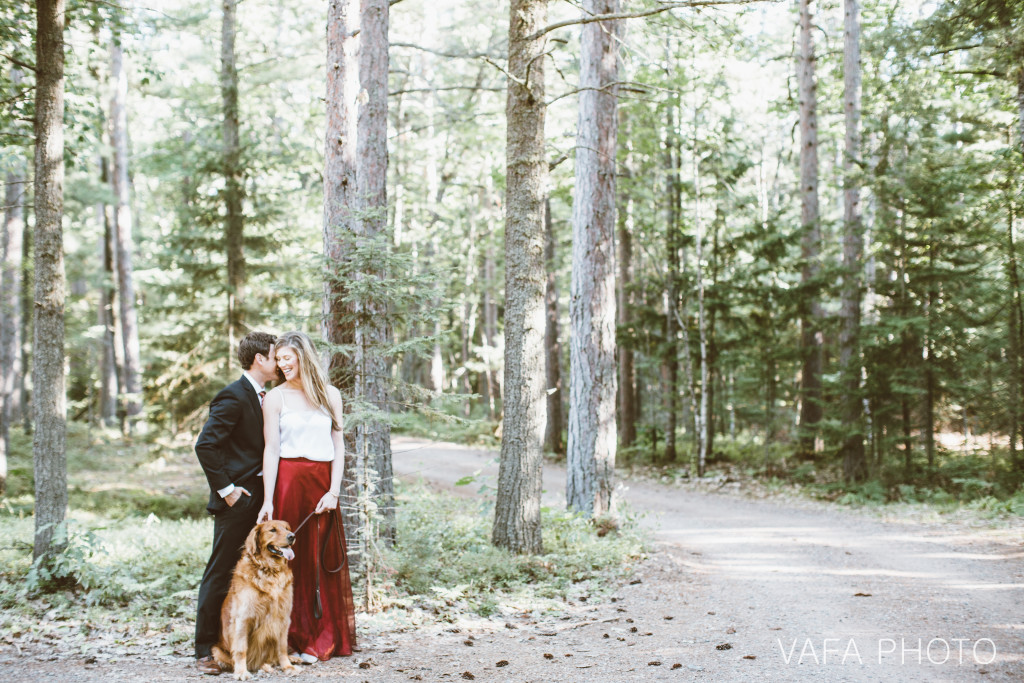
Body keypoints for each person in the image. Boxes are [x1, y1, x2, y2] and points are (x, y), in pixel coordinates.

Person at [257, 330, 356, 662]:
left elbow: (339, 445)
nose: (283, 364)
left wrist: (334, 491)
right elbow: (271, 450)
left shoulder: (331, 394)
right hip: (288, 481)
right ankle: (289, 640)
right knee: (288, 560)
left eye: (289, 358)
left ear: (304, 357)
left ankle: (321, 637)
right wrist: (268, 500)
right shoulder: (275, 398)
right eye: (279, 359)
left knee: (319, 558)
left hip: (321, 482)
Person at [194, 330, 278, 676]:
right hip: (237, 500)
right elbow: (206, 445)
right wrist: (227, 489)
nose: (280, 363)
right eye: (276, 356)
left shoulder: (267, 396)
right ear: (260, 359)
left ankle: (252, 645)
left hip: (263, 499)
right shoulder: (232, 396)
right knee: (222, 570)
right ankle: (205, 650)